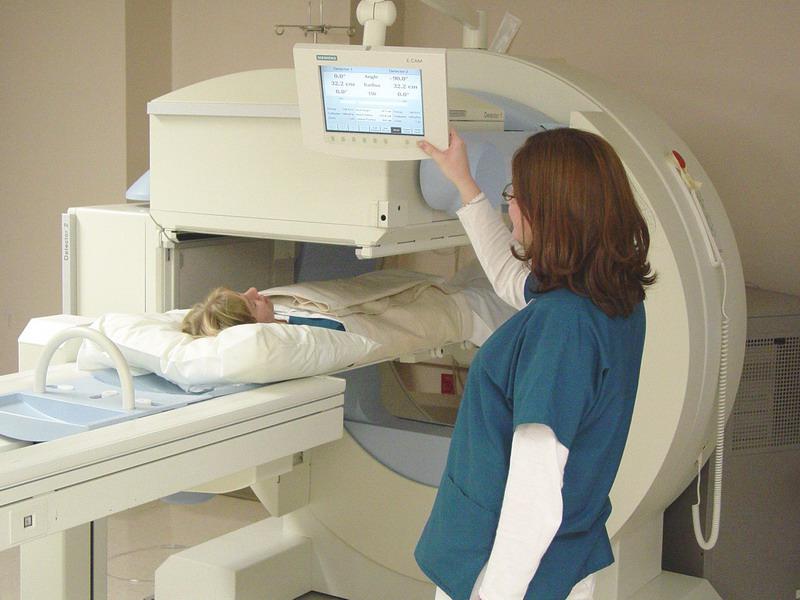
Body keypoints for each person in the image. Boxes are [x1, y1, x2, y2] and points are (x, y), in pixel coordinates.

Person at [413, 128, 656, 600]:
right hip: (562, 559)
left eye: (515, 194)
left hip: (503, 570)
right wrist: (463, 183)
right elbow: (511, 279)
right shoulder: (611, 300)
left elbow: (534, 494)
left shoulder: (561, 329)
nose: (511, 206)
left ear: (551, 212)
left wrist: (496, 594)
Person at [181, 286, 345, 336]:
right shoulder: (292, 339)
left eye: (242, 293)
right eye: (252, 304)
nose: (253, 290)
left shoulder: (277, 312)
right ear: (251, 326)